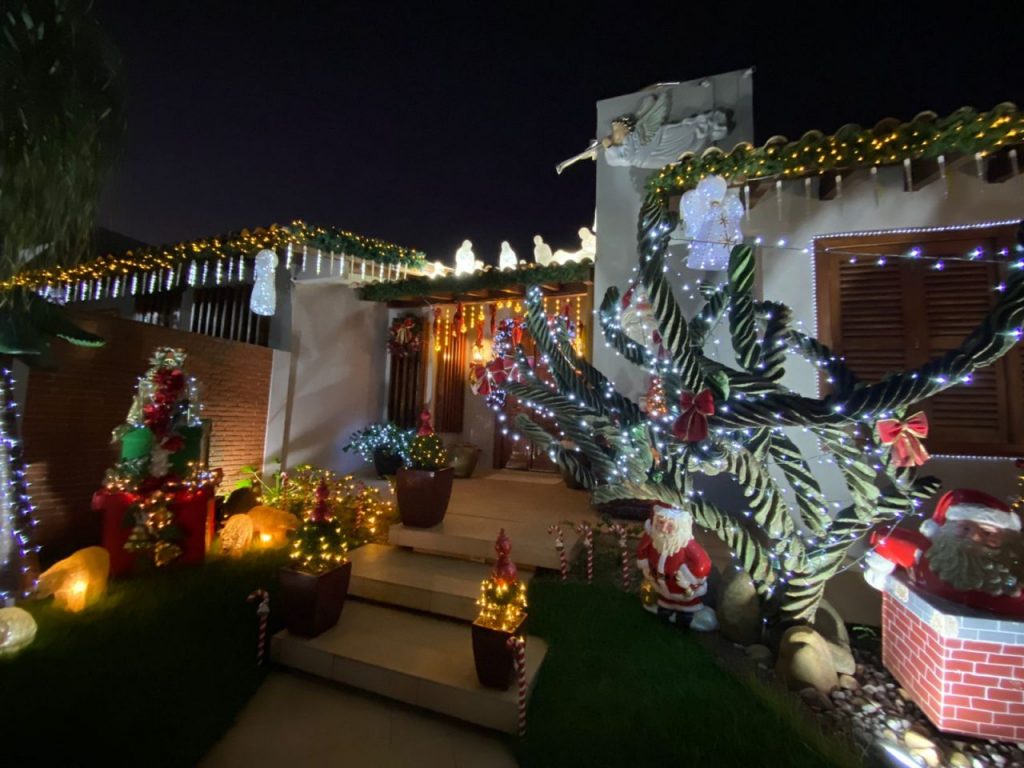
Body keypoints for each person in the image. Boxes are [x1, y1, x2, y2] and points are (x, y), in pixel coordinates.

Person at [863, 489, 1024, 616]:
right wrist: (881, 571)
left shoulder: (1009, 580)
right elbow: (888, 539)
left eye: (988, 533)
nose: (975, 537)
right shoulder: (924, 557)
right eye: (965, 528)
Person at [636, 503, 718, 630]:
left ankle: (685, 616)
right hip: (661, 588)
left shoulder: (686, 545)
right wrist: (646, 567)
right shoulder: (655, 539)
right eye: (660, 522)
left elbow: (703, 563)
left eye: (670, 525)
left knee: (686, 610)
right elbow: (642, 550)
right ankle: (666, 611)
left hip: (682, 591)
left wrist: (688, 579)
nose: (663, 529)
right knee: (663, 606)